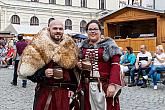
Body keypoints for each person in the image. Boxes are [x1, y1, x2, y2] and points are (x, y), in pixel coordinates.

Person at [25, 20, 78, 110]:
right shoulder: (38, 47)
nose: (58, 31)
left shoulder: (69, 47)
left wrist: (73, 88)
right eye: (55, 28)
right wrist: (43, 73)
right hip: (45, 91)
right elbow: (28, 71)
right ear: (49, 30)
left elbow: (73, 71)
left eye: (60, 29)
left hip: (63, 93)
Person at [77, 20, 122, 110]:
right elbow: (75, 64)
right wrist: (78, 65)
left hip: (104, 85)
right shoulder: (82, 47)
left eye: (95, 29)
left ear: (100, 31)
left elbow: (115, 65)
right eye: (90, 29)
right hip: (86, 86)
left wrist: (112, 84)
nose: (93, 31)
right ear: (87, 32)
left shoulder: (110, 45)